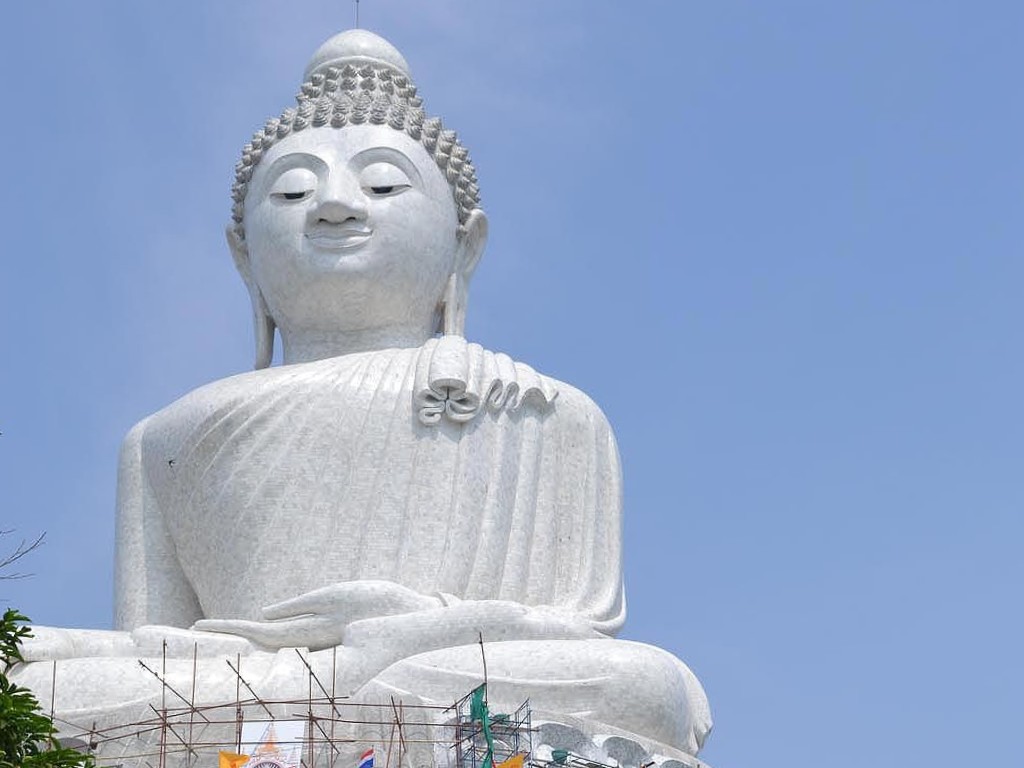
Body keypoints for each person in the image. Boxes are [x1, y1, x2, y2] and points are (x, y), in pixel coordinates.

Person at [14, 30, 711, 759]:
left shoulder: (544, 411)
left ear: (464, 244)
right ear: (241, 252)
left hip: (430, 665)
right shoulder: (164, 436)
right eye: (292, 191)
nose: (335, 207)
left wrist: (405, 627)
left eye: (382, 184)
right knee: (28, 679)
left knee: (642, 682)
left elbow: (573, 629)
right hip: (239, 685)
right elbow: (155, 651)